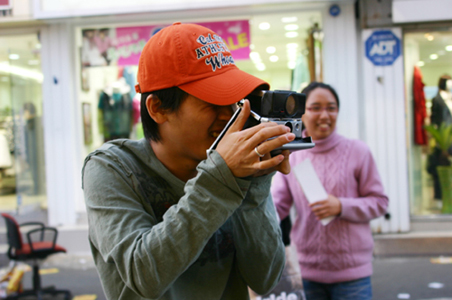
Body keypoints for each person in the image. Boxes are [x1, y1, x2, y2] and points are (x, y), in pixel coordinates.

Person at [82, 22, 294, 300]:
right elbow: (144, 275)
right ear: (157, 108)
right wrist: (221, 178)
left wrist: (256, 180)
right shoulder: (113, 168)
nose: (230, 115)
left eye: (234, 101)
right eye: (213, 101)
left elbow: (265, 279)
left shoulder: (236, 165)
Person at [271, 82, 388, 300]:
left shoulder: (358, 151)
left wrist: (342, 206)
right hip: (306, 272)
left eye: (331, 108)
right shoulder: (292, 154)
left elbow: (380, 202)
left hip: (353, 276)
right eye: (315, 107)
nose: (324, 115)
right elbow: (277, 207)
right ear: (302, 113)